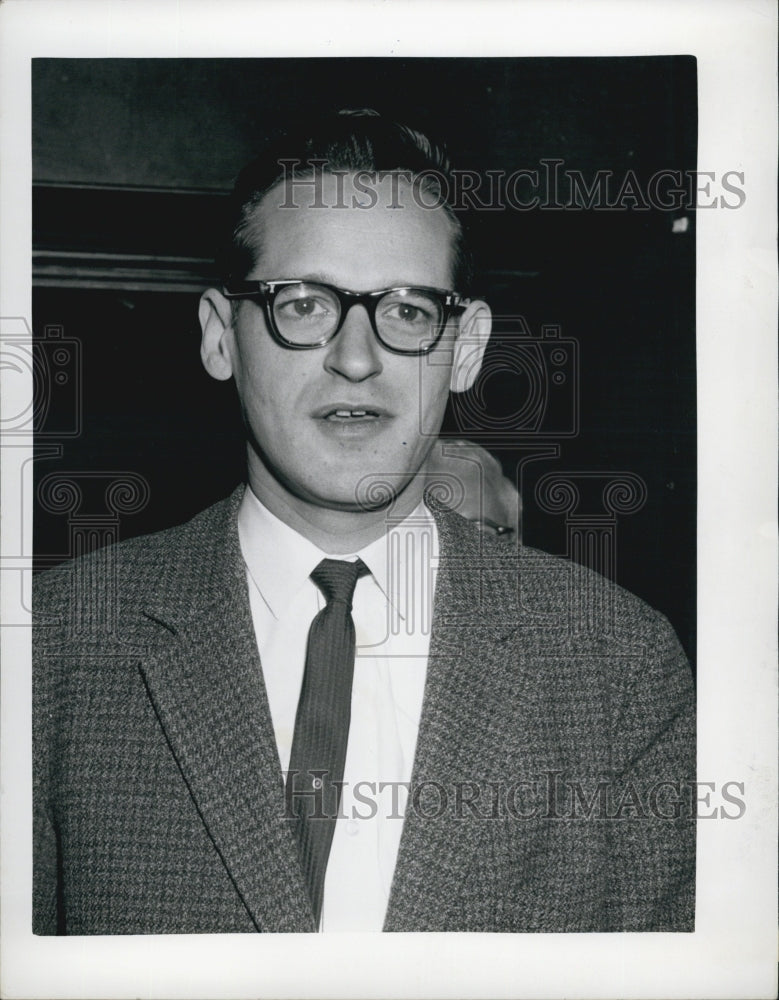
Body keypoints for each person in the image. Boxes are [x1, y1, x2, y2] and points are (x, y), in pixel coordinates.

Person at [33, 109, 695, 935]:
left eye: (408, 310)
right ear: (219, 337)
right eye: (303, 304)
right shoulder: (51, 646)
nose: (356, 356)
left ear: (466, 346)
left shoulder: (617, 665)